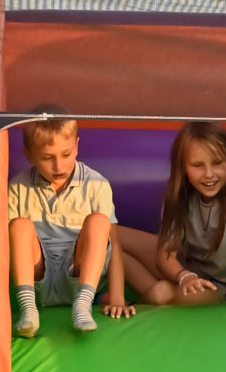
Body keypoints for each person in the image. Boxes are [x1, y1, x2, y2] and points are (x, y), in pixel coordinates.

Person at [116, 123, 226, 329]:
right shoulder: (181, 194)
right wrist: (184, 276)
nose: (209, 174)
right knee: (109, 233)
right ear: (183, 165)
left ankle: (137, 303)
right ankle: (104, 294)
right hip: (189, 271)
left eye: (217, 163)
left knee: (161, 292)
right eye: (198, 165)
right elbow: (165, 255)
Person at [8, 116, 133, 337]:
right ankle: (28, 309)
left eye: (66, 154)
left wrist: (117, 297)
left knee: (99, 221)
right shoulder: (18, 187)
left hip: (79, 272)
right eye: (47, 158)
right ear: (28, 155)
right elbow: (2, 247)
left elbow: (113, 242)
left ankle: (82, 305)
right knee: (18, 226)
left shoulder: (96, 183)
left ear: (77, 145)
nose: (59, 166)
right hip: (37, 275)